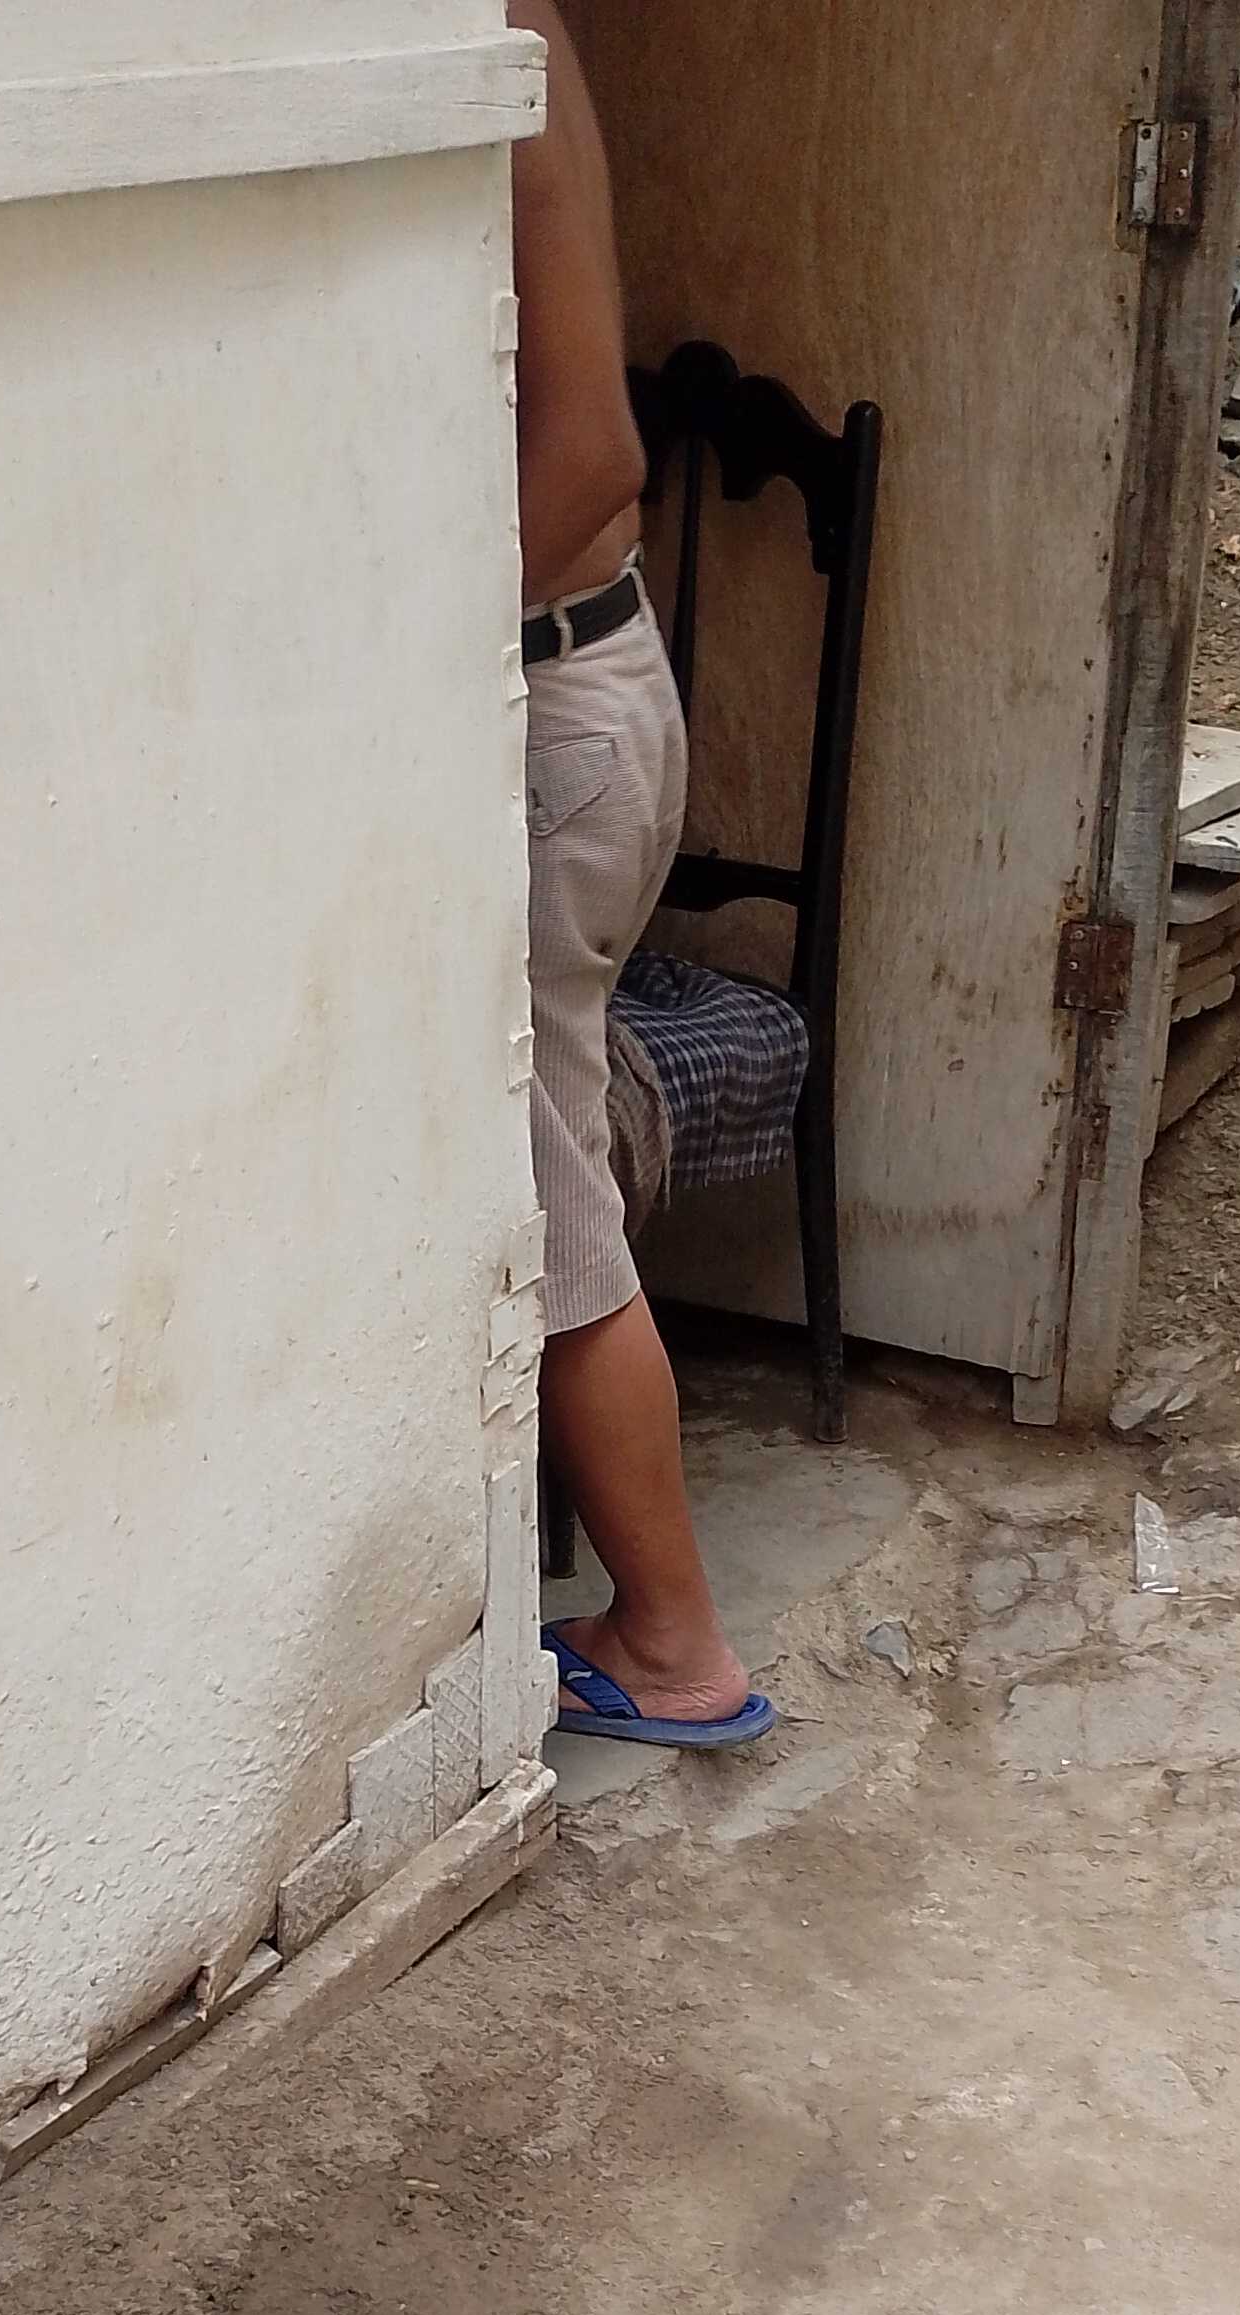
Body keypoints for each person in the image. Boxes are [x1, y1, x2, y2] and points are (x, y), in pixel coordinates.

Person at [509, 2, 772, 1752]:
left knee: (552, 1210)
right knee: (551, 1171)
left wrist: (377, 662)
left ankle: (674, 1645)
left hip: (550, 705)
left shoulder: (500, 36)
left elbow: (595, 450)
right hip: (583, 692)